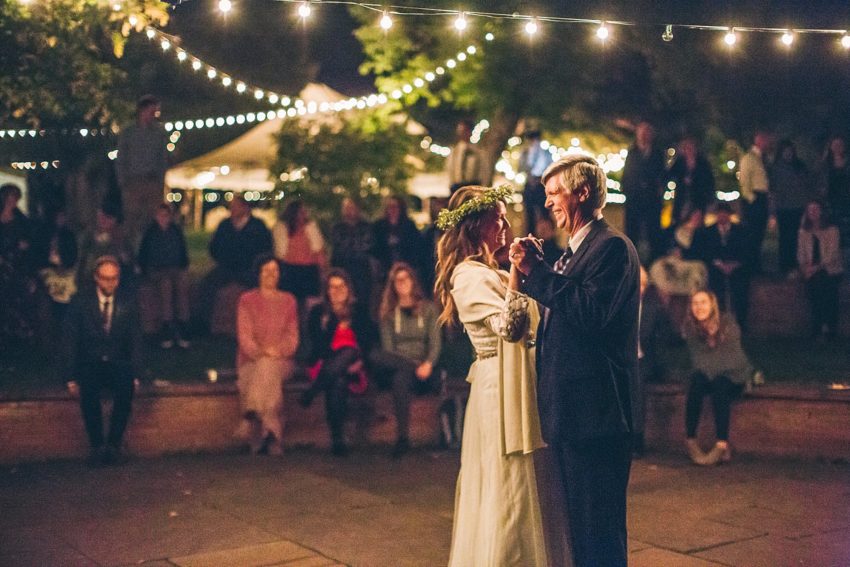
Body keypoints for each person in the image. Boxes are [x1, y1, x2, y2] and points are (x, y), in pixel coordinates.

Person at [511, 154, 640, 567]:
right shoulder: (573, 251)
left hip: (597, 416)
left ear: (582, 193)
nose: (548, 202)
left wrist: (539, 273)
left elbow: (591, 313)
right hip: (572, 415)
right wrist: (539, 270)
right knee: (581, 534)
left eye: (555, 193)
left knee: (599, 532)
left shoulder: (611, 247)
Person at [435, 185, 549, 567]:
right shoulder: (468, 277)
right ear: (476, 226)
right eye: (497, 219)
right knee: (509, 484)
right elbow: (510, 327)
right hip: (498, 386)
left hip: (518, 380)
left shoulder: (492, 273)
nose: (504, 225)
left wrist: (530, 272)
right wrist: (517, 271)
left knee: (527, 480)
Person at [62, 256, 142, 467]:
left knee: (125, 393)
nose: (110, 283)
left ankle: (114, 444)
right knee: (88, 394)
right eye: (106, 278)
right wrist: (70, 376)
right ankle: (97, 445)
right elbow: (71, 340)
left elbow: (135, 339)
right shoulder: (81, 302)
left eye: (114, 278)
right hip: (91, 361)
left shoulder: (128, 302)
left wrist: (135, 373)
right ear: (96, 278)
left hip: (117, 361)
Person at [300, 269, 378, 456]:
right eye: (332, 287)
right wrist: (332, 321)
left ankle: (313, 391)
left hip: (356, 368)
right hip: (324, 365)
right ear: (326, 290)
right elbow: (318, 345)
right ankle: (338, 438)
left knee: (348, 354)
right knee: (338, 378)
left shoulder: (359, 311)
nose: (337, 291)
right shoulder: (318, 313)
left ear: (348, 288)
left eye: (341, 286)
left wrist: (359, 363)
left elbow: (368, 342)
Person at [370, 262, 442, 458]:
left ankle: (403, 439)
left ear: (412, 281)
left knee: (400, 377)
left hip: (424, 371)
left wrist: (427, 363)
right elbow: (388, 350)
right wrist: (412, 366)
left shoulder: (428, 309)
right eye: (397, 280)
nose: (402, 283)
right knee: (380, 360)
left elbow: (435, 343)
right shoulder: (388, 313)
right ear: (392, 285)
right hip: (400, 366)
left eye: (405, 279)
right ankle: (403, 439)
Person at [235, 254, 299, 456]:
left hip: (282, 361)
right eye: (266, 270)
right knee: (263, 371)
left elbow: (292, 337)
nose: (271, 274)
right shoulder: (247, 300)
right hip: (251, 360)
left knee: (267, 368)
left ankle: (250, 416)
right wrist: (262, 353)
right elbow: (245, 336)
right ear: (258, 273)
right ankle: (272, 436)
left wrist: (277, 351)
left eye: (274, 270)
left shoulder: (288, 301)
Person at [681, 290, 754, 466]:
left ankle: (722, 444)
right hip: (709, 374)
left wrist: (709, 368)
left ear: (712, 305)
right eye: (695, 303)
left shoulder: (728, 324)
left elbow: (730, 359)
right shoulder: (691, 328)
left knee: (720, 386)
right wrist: (707, 370)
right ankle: (690, 439)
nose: (699, 307)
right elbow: (699, 359)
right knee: (696, 383)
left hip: (733, 376)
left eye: (703, 303)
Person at [197, 194, 272, 333]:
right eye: (231, 207)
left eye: (235, 207)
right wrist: (222, 258)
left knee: (259, 288)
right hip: (227, 267)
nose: (232, 210)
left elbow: (265, 248)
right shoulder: (225, 225)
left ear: (245, 208)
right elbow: (214, 246)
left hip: (248, 268)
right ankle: (203, 324)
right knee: (207, 286)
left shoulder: (257, 226)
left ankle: (259, 325)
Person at [116, 95, 169, 248]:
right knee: (132, 219)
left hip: (152, 182)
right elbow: (121, 158)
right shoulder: (128, 132)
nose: (153, 115)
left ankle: (151, 249)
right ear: (142, 110)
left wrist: (160, 183)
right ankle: (129, 250)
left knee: (151, 218)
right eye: (151, 111)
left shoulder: (159, 133)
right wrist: (123, 182)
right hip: (133, 182)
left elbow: (162, 159)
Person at [691, 202, 751, 333]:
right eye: (720, 214)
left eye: (725, 214)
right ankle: (718, 321)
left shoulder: (740, 231)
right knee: (716, 292)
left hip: (736, 268)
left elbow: (746, 251)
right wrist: (718, 263)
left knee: (740, 291)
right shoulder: (707, 232)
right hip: (715, 268)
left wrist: (734, 264)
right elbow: (704, 252)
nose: (722, 217)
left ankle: (741, 324)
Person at [138, 204, 190, 349]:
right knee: (166, 286)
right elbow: (143, 254)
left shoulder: (175, 231)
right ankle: (167, 325)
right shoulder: (151, 233)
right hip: (157, 270)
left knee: (182, 285)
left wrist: (182, 266)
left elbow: (183, 253)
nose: (163, 218)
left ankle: (183, 323)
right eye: (160, 215)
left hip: (174, 269)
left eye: (166, 215)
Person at [798, 201, 844, 340]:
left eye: (816, 209)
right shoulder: (803, 232)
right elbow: (801, 253)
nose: (813, 212)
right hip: (811, 269)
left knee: (825, 287)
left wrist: (816, 267)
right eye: (810, 210)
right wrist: (805, 267)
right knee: (815, 291)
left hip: (830, 269)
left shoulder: (832, 230)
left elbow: (832, 254)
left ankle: (827, 326)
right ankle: (819, 325)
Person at [622, 121, 666, 262]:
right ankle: (631, 262)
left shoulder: (657, 154)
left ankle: (653, 262)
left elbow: (662, 175)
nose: (644, 136)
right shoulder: (632, 152)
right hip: (634, 199)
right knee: (632, 232)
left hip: (652, 200)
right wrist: (629, 192)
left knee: (653, 233)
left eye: (647, 132)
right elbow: (627, 175)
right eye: (641, 132)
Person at [272, 199, 326, 313]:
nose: (304, 214)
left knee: (309, 306)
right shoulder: (282, 228)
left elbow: (318, 251)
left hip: (308, 271)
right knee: (289, 305)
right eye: (301, 212)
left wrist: (322, 271)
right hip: (290, 271)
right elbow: (280, 253)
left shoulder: (311, 227)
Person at [771, 139, 812, 276]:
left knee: (798, 236)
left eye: (790, 151)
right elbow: (773, 191)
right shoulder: (776, 168)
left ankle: (797, 264)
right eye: (785, 151)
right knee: (785, 237)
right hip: (783, 208)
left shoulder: (800, 166)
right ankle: (784, 266)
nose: (788, 153)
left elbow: (806, 187)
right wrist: (773, 212)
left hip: (798, 207)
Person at [330, 198, 374, 315]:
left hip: (362, 272)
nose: (349, 211)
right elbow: (338, 248)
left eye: (352, 208)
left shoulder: (366, 227)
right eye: (347, 208)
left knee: (362, 304)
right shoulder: (337, 228)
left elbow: (367, 246)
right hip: (343, 269)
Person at [77, 205, 135, 291]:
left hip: (113, 284)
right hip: (90, 282)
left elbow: (128, 262)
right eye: (100, 217)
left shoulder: (121, 239)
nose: (102, 221)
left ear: (114, 220)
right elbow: (82, 260)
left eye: (106, 218)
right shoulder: (89, 237)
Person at [738, 130, 772, 273]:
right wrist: (752, 199)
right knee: (752, 234)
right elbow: (744, 182)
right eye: (765, 139)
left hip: (761, 198)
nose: (768, 143)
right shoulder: (749, 158)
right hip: (754, 199)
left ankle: (756, 265)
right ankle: (751, 266)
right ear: (758, 140)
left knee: (759, 233)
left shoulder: (763, 158)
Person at [371, 196, 426, 283]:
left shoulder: (409, 226)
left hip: (406, 267)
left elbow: (415, 247)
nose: (392, 210)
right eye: (390, 207)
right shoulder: (378, 227)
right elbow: (375, 248)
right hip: (385, 269)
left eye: (395, 207)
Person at [668, 136, 716, 224]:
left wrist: (708, 195)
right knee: (680, 220)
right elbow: (671, 174)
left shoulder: (702, 162)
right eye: (687, 147)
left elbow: (709, 180)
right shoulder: (680, 161)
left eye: (691, 147)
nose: (689, 150)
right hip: (682, 196)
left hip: (698, 197)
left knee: (697, 221)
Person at [820, 136, 850, 272]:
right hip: (831, 203)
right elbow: (820, 183)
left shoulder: (847, 162)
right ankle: (833, 265)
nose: (837, 147)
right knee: (833, 233)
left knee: (846, 235)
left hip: (846, 202)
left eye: (840, 144)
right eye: (835, 144)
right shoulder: (825, 164)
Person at [519, 129, 554, 233]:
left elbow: (551, 169)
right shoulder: (525, 153)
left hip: (541, 185)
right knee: (529, 215)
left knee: (545, 213)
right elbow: (521, 168)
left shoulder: (546, 153)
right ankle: (531, 235)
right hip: (530, 185)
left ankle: (547, 237)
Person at [446, 120, 486, 194]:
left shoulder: (477, 150)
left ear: (470, 132)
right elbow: (450, 168)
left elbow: (482, 170)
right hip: (457, 187)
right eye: (460, 131)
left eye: (464, 130)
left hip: (473, 186)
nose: (461, 133)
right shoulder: (454, 150)